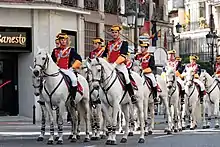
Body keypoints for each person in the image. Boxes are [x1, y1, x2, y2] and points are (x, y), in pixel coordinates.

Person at [102, 25, 138, 104]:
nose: (114, 34)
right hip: (110, 65)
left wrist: (115, 64)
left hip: (120, 65)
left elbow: (123, 55)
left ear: (119, 33)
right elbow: (104, 55)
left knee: (126, 78)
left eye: (116, 32)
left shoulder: (124, 43)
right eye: (113, 32)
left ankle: (132, 96)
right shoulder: (109, 43)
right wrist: (105, 63)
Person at [51, 33, 82, 104]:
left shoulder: (71, 50)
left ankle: (72, 99)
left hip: (67, 70)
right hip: (57, 70)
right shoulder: (55, 51)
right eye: (61, 40)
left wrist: (72, 67)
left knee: (74, 80)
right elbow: (52, 61)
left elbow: (79, 59)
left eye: (64, 40)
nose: (63, 41)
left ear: (67, 41)